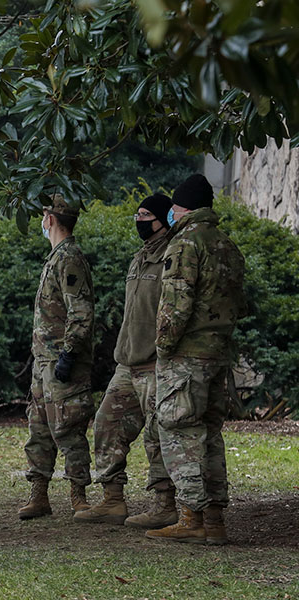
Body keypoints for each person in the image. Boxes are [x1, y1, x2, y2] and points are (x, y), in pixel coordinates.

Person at [145, 174, 246, 545]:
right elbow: (240, 304)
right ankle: (215, 518)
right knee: (210, 433)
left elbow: (175, 304)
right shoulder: (228, 245)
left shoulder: (184, 243)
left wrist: (163, 348)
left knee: (178, 429)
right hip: (219, 353)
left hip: (186, 355)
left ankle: (190, 516)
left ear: (179, 207)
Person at [74, 193, 175, 527]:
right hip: (127, 363)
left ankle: (165, 504)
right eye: (137, 213)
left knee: (157, 433)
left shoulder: (172, 257)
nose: (139, 219)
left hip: (155, 363)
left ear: (162, 218)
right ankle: (112, 499)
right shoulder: (139, 258)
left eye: (146, 214)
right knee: (106, 423)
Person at [20, 194, 96, 520]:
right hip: (43, 361)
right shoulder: (56, 257)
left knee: (68, 427)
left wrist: (68, 353)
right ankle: (39, 494)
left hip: (62, 362)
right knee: (38, 428)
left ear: (49, 218)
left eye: (43, 214)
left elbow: (80, 311)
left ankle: (79, 495)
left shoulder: (70, 259)